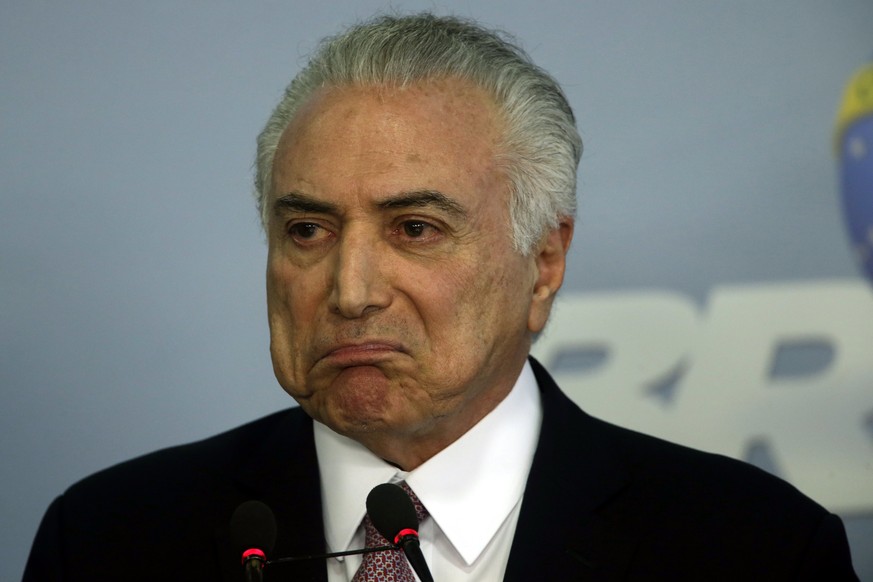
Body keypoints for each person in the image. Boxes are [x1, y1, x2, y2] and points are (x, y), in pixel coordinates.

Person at [24, 13, 857, 581]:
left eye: (414, 228)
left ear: (543, 262)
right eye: (308, 231)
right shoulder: (107, 540)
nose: (349, 292)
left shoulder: (754, 550)